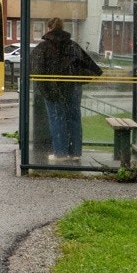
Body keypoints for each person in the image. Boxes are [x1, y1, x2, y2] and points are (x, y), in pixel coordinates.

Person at [29, 17, 102, 163]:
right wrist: (77, 79)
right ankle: (75, 153)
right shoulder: (72, 46)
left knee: (57, 119)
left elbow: (34, 70)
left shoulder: (43, 48)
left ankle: (60, 153)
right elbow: (93, 68)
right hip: (73, 88)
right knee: (74, 118)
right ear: (62, 28)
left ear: (49, 28)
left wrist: (45, 88)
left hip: (53, 89)